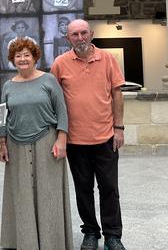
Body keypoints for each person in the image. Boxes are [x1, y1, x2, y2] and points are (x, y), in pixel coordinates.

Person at [50, 19, 127, 250]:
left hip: (105, 138)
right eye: (75, 34)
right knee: (83, 189)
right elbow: (53, 101)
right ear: (68, 38)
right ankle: (90, 232)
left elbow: (117, 94)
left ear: (91, 34)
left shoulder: (107, 59)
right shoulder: (60, 64)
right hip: (75, 141)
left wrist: (119, 128)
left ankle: (113, 236)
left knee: (109, 189)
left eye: (84, 33)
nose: (80, 37)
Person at [0, 38, 72, 250]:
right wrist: (2, 143)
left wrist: (62, 138)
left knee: (48, 191)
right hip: (16, 144)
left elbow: (62, 111)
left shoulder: (48, 80)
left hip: (47, 141)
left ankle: (52, 242)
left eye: (26, 55)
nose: (22, 59)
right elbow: (4, 116)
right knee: (20, 192)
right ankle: (23, 241)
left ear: (35, 57)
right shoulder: (8, 86)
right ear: (13, 59)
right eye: (18, 55)